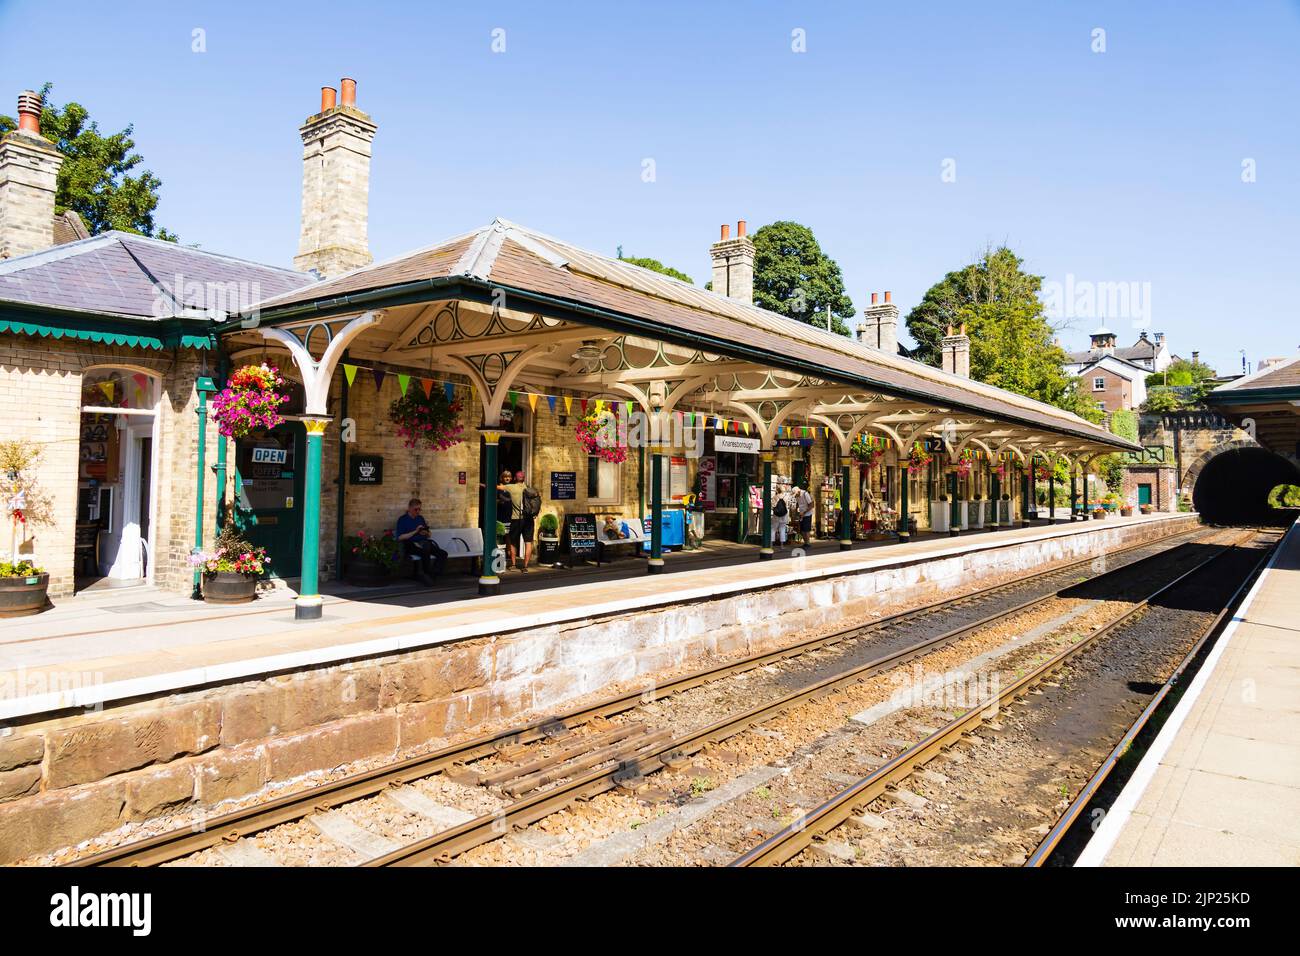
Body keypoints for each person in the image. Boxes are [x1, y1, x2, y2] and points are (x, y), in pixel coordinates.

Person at [395, 498, 446, 585]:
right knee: (425, 552)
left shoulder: (420, 518)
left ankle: (433, 575)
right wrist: (415, 531)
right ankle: (427, 575)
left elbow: (429, 534)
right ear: (410, 508)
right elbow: (400, 537)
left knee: (443, 553)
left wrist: (426, 532)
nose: (418, 511)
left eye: (419, 509)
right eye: (416, 509)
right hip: (410, 544)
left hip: (424, 542)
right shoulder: (402, 519)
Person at [498, 469, 535, 572]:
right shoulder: (529, 489)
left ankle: (513, 564)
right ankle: (525, 566)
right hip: (529, 519)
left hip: (516, 519)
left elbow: (496, 487)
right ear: (523, 479)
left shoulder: (512, 487)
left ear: (514, 478)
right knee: (528, 542)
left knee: (513, 541)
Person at [793, 482, 816, 547]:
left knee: (806, 529)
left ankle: (808, 543)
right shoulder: (797, 496)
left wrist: (804, 512)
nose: (796, 496)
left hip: (807, 514)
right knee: (802, 529)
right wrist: (797, 512)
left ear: (798, 491)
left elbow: (811, 505)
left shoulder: (805, 494)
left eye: (796, 494)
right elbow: (798, 504)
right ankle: (805, 543)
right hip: (801, 513)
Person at [772, 483, 790, 548]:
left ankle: (771, 544)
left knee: (773, 529)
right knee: (782, 529)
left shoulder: (775, 497)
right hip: (784, 515)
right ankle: (782, 545)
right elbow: (788, 506)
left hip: (776, 515)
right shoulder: (786, 497)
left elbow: (773, 506)